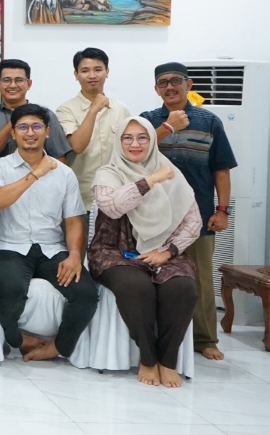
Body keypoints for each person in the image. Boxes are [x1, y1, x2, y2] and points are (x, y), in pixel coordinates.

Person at [90, 116, 201, 387]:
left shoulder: (171, 171)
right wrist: (149, 180)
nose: (135, 144)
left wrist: (168, 252)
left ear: (152, 141)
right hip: (115, 251)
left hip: (164, 251)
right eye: (127, 138)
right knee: (136, 287)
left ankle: (168, 360)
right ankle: (149, 358)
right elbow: (113, 207)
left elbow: (194, 222)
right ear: (118, 142)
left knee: (182, 289)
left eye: (142, 137)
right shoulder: (108, 173)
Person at [0, 104, 98, 362]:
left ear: (47, 132)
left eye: (36, 126)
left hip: (51, 248)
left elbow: (73, 220)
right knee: (10, 291)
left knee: (86, 294)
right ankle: (17, 339)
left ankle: (58, 346)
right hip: (9, 246)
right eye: (23, 127)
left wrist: (74, 255)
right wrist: (35, 174)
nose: (30, 133)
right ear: (13, 133)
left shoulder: (64, 174)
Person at [140, 62, 237, 361]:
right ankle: (155, 337)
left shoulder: (209, 121)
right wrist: (167, 127)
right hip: (154, 214)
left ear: (189, 84)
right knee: (151, 276)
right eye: (163, 82)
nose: (170, 87)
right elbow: (136, 153)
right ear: (156, 89)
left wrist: (222, 211)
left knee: (201, 280)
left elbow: (221, 170)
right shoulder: (147, 120)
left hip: (198, 214)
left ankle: (205, 339)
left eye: (176, 81)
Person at [56, 47, 131, 210]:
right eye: (85, 71)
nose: (92, 75)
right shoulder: (66, 110)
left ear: (107, 71)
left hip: (117, 196)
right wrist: (93, 110)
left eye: (98, 69)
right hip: (82, 198)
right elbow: (77, 146)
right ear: (76, 75)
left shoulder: (121, 109)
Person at [0, 58, 72, 176]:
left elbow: (59, 157)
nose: (12, 85)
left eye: (19, 80)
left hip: (39, 180)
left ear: (29, 84)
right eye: (6, 80)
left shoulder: (46, 115)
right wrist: (18, 117)